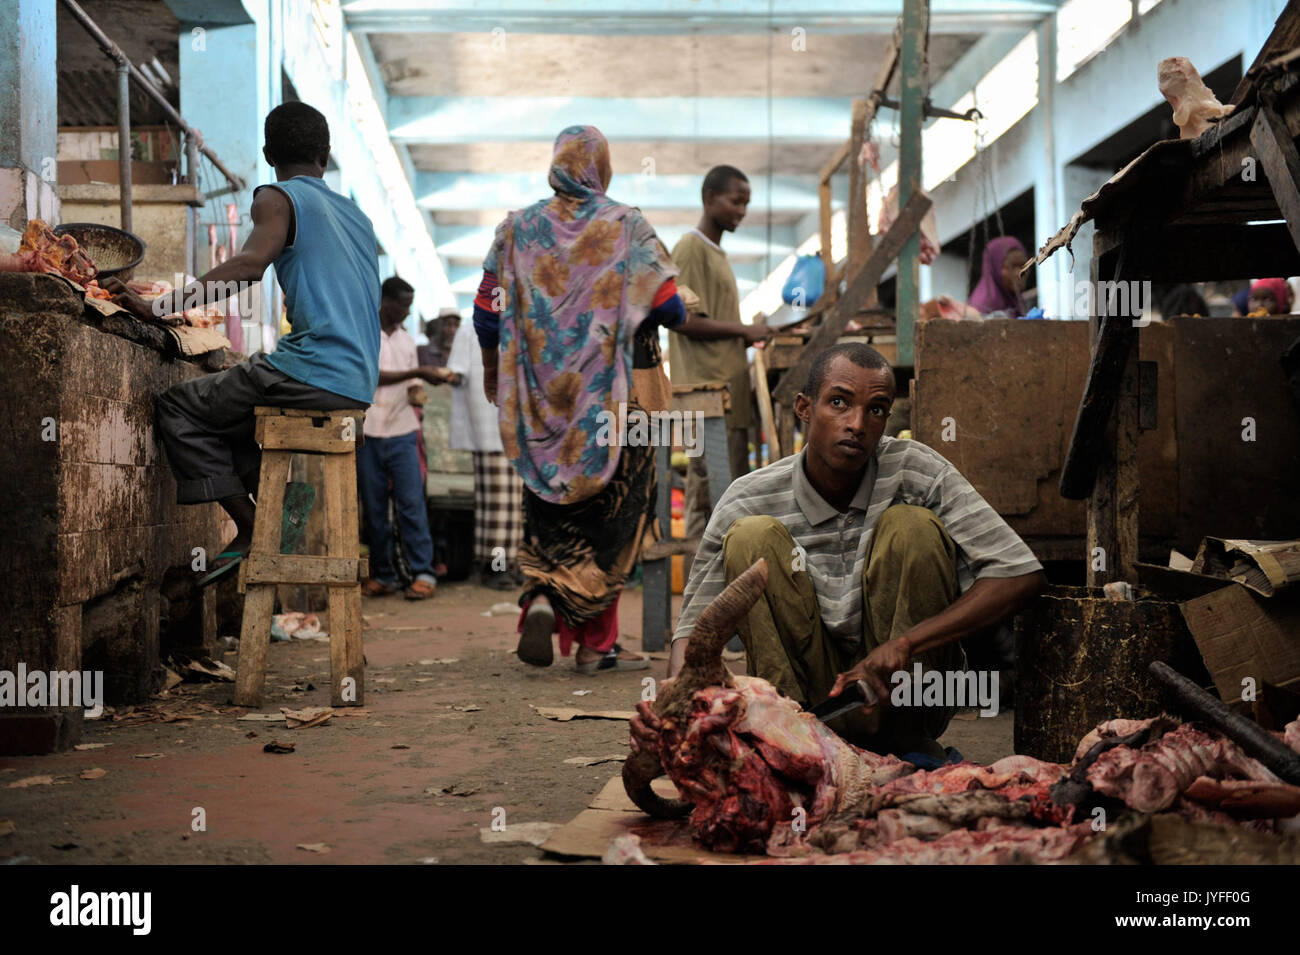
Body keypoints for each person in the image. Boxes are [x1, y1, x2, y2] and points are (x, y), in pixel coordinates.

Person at [636, 342, 1046, 762]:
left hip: (901, 695)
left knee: (912, 527)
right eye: (838, 402)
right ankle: (788, 743)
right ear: (804, 408)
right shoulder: (749, 497)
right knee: (750, 536)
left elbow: (1021, 574)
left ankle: (906, 742)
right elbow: (693, 632)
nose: (857, 424)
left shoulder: (918, 472)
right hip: (806, 707)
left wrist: (906, 643)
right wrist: (675, 709)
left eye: (877, 409)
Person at [107, 102, 379, 585]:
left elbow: (249, 267)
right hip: (356, 384)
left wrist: (158, 307)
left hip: (311, 370)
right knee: (233, 411)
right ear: (326, 154)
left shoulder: (277, 197)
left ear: (268, 153)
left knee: (179, 406)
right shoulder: (356, 217)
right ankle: (281, 504)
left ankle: (252, 523)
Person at [473, 124, 686, 674]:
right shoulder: (626, 225)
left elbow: (486, 312)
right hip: (618, 403)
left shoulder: (517, 230)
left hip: (542, 405)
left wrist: (495, 375)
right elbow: (670, 308)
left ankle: (542, 600)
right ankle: (598, 645)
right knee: (618, 517)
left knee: (551, 514)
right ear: (604, 167)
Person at [668, 165, 773, 544]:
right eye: (736, 201)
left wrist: (747, 335)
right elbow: (681, 319)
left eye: (746, 203)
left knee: (728, 498)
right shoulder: (690, 248)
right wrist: (744, 330)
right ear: (709, 199)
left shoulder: (718, 255)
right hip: (706, 393)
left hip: (727, 393)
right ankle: (700, 595)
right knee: (707, 494)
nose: (742, 210)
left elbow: (716, 324)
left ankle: (723, 590)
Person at [358, 276, 453, 600]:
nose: (407, 311)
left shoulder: (407, 341)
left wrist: (420, 389)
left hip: (402, 431)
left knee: (411, 504)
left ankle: (423, 572)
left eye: (410, 305)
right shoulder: (365, 331)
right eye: (403, 304)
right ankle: (385, 575)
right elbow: (371, 376)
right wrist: (418, 374)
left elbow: (412, 385)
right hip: (369, 431)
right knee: (374, 508)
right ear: (385, 300)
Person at [446, 313, 524, 590]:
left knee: (512, 508)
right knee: (500, 509)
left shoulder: (519, 321)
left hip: (516, 430)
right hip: (490, 429)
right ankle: (496, 568)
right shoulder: (473, 327)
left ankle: (506, 565)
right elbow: (455, 372)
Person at [967, 236, 1029, 318]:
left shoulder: (1014, 300)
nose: (1020, 273)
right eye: (1011, 267)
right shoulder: (983, 305)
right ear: (994, 268)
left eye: (1023, 265)